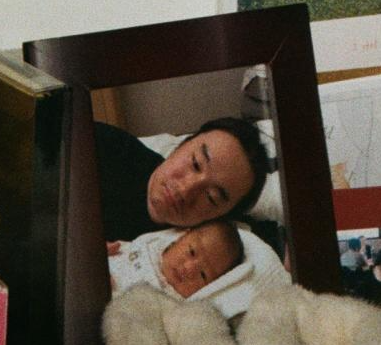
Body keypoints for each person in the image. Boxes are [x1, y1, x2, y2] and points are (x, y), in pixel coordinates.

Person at [94, 117, 272, 242]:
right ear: (181, 145)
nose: (186, 189)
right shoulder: (102, 147)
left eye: (211, 197)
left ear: (221, 216)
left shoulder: (213, 246)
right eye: (195, 164)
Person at [106, 220, 245, 300]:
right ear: (181, 237)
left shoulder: (172, 304)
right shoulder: (151, 244)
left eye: (203, 275)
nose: (189, 268)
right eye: (192, 252)